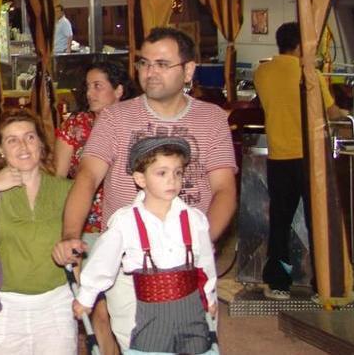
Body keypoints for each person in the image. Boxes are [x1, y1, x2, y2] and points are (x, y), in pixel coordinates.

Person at [53, 27, 238, 351]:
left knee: (196, 342)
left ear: (188, 70)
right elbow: (87, 177)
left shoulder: (212, 119)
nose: (150, 72)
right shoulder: (114, 117)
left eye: (162, 64)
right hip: (132, 263)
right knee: (142, 346)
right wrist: (71, 233)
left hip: (190, 263)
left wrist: (195, 246)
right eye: (144, 63)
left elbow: (224, 189)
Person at [73, 137, 218, 355]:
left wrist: (209, 295)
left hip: (192, 311)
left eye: (177, 173)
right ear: (140, 178)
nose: (172, 180)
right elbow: (104, 261)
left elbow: (205, 263)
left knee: (199, 349)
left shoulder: (194, 219)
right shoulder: (126, 222)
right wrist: (87, 296)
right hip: (151, 314)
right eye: (162, 173)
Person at [0, 110, 76, 355]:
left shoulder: (65, 189)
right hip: (0, 305)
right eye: (12, 140)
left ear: (41, 142)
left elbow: (76, 246)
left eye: (30, 137)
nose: (23, 146)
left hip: (56, 304)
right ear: (0, 149)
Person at [254, 22, 347, 299]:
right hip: (309, 160)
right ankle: (324, 285)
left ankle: (278, 283)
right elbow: (331, 112)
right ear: (300, 45)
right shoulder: (311, 75)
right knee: (317, 220)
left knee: (280, 221)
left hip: (278, 157)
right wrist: (346, 113)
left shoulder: (262, 73)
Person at [53, 60, 135, 354]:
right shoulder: (75, 126)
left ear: (120, 91)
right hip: (87, 228)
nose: (90, 92)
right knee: (97, 309)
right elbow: (59, 180)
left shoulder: (135, 124)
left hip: (126, 227)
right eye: (87, 86)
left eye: (98, 86)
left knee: (128, 309)